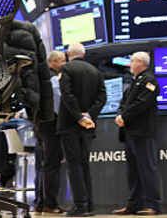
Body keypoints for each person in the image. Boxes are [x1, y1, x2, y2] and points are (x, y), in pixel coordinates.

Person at [58, 43, 107, 217]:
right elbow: (102, 97)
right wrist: (88, 115)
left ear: (68, 54)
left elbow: (66, 95)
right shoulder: (96, 71)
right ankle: (89, 205)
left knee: (74, 165)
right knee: (84, 164)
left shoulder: (66, 69)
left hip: (70, 125)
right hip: (88, 126)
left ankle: (79, 205)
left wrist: (79, 116)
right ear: (83, 54)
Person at [113, 51, 161, 216]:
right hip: (130, 133)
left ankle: (152, 205)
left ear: (141, 63)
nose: (130, 64)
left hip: (143, 132)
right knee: (133, 171)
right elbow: (123, 103)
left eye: (132, 61)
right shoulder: (134, 82)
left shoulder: (149, 80)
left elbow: (142, 103)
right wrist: (120, 114)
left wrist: (124, 116)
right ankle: (134, 204)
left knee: (147, 169)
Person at [36, 50, 68, 214]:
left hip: (42, 125)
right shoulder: (54, 78)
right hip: (52, 126)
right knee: (52, 165)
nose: (65, 63)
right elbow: (59, 103)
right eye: (62, 60)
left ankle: (41, 202)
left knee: (45, 165)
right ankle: (50, 203)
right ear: (53, 62)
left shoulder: (42, 76)